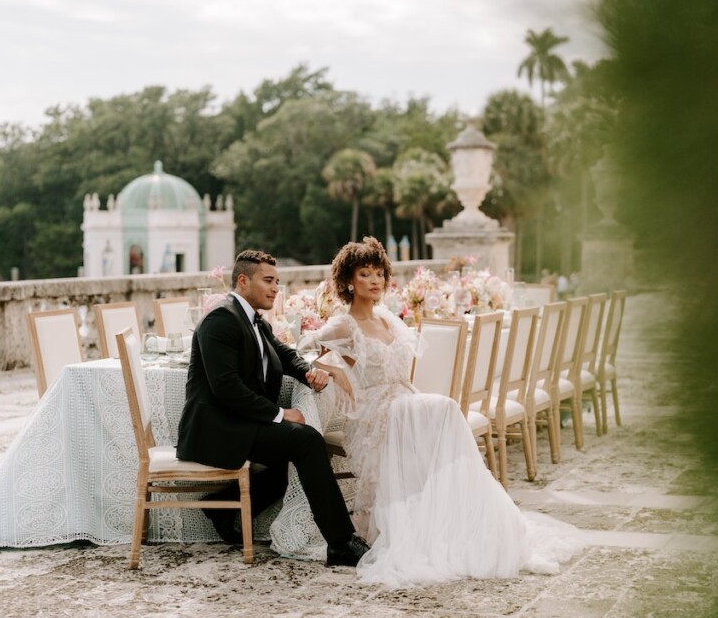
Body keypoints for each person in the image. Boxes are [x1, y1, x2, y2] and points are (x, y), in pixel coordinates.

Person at [309, 237, 582, 588]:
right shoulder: (344, 325)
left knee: (445, 411)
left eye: (379, 273)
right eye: (365, 274)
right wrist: (336, 370)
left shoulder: (389, 319)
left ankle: (462, 517)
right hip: (377, 410)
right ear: (349, 280)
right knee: (447, 408)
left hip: (405, 401)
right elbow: (304, 348)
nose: (375, 281)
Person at [176, 249, 369, 567]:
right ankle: (340, 543)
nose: (275, 288)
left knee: (289, 460)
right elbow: (226, 388)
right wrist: (278, 414)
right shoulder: (220, 320)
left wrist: (308, 373)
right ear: (242, 281)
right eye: (267, 281)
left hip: (236, 421)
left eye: (277, 282)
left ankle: (220, 505)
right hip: (215, 428)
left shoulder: (253, 319)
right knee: (305, 440)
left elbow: (283, 352)